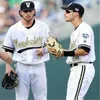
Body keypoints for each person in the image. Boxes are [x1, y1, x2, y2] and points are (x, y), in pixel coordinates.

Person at [2, 1, 51, 100]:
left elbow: (52, 45)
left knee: (41, 97)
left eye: (30, 10)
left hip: (39, 65)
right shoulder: (13, 29)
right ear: (20, 12)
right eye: (25, 11)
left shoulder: (43, 26)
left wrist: (44, 50)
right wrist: (7, 67)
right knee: (21, 97)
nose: (28, 13)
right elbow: (8, 50)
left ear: (34, 11)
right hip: (21, 67)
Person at [61, 3, 95, 100]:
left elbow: (84, 50)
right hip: (76, 68)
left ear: (76, 13)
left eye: (67, 11)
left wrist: (64, 53)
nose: (65, 13)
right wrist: (62, 51)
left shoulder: (84, 28)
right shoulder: (76, 31)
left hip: (83, 66)